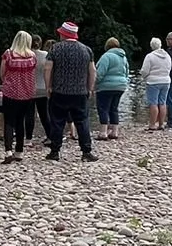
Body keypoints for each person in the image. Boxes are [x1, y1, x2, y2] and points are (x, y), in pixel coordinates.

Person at [44, 22, 98, 162]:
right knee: (82, 121)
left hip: (59, 91)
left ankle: (55, 151)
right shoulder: (86, 50)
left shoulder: (55, 49)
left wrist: (48, 86)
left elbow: (48, 69)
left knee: (57, 121)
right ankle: (86, 151)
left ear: (63, 34)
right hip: (80, 92)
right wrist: (90, 88)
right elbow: (92, 71)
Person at [0, 31, 40, 161]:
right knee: (20, 121)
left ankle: (8, 151)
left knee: (9, 122)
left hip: (10, 92)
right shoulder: (32, 56)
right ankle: (19, 151)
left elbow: (2, 73)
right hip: (27, 93)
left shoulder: (8, 54)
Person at [94, 37, 129, 140]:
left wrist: (95, 83)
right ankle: (115, 132)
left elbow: (100, 73)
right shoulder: (124, 57)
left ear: (107, 46)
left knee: (103, 108)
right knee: (114, 108)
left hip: (106, 86)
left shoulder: (106, 56)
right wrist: (124, 82)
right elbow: (126, 72)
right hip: (121, 86)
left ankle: (103, 132)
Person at [139, 38, 172, 131]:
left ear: (151, 46)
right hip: (165, 81)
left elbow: (144, 71)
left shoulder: (150, 56)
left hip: (153, 82)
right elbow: (169, 68)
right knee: (162, 102)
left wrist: (144, 77)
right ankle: (161, 124)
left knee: (153, 103)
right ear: (160, 45)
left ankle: (152, 124)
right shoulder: (167, 56)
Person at [31, 34, 52, 147]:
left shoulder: (27, 55)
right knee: (44, 114)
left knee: (30, 115)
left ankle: (28, 138)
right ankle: (50, 136)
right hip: (43, 88)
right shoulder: (45, 55)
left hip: (30, 89)